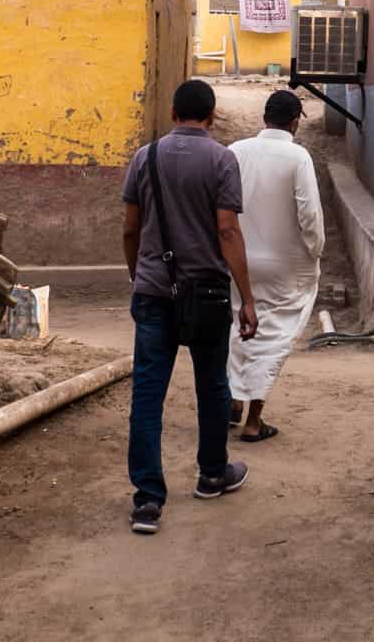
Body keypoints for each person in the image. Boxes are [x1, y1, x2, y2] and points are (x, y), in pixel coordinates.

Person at [120, 79, 259, 535]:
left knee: (147, 395)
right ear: (211, 116)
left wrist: (137, 276)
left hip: (155, 292)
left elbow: (130, 228)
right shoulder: (222, 160)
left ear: (174, 113)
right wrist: (247, 298)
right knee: (213, 386)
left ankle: (147, 501)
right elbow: (227, 232)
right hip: (208, 294)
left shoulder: (146, 157)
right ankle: (212, 474)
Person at [225, 89, 326, 442]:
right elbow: (309, 215)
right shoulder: (297, 157)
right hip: (285, 264)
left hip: (239, 260)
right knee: (274, 334)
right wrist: (315, 251)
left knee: (238, 327)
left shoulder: (235, 151)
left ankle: (234, 401)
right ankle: (254, 420)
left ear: (264, 117)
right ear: (296, 120)